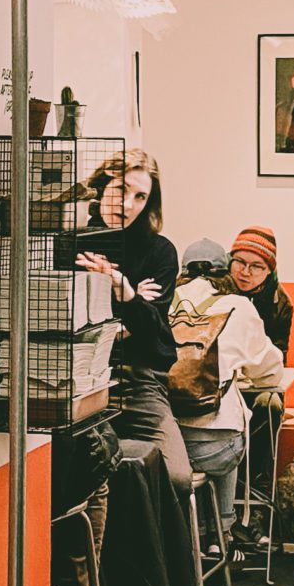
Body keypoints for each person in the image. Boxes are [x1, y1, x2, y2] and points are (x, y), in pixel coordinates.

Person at [77, 148, 189, 496]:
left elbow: (151, 331)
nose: (127, 204)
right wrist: (131, 310)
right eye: (121, 189)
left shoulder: (159, 251)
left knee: (177, 478)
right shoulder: (76, 241)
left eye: (140, 196)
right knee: (89, 476)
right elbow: (71, 323)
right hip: (82, 379)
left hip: (137, 380)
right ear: (102, 185)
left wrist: (124, 291)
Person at [169, 239, 284, 550]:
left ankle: (197, 531)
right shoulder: (239, 306)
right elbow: (269, 369)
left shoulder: (163, 301)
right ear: (225, 271)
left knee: (203, 440)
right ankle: (222, 532)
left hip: (167, 446)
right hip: (216, 451)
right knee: (228, 437)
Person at [227, 226, 294, 362]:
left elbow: (278, 356)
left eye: (256, 266)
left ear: (269, 270)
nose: (245, 272)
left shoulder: (280, 304)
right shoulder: (214, 288)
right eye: (240, 262)